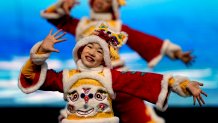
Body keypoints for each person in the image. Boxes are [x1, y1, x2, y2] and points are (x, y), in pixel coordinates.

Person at [40, 0, 194, 122]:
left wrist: (177, 53)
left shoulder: (117, 26)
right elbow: (54, 17)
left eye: (108, 1)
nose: (101, 2)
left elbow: (144, 41)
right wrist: (62, 3)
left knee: (138, 115)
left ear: (113, 6)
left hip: (116, 75)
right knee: (80, 113)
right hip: (87, 78)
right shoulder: (81, 25)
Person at [18, 23, 207, 123]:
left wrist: (182, 84)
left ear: (105, 60)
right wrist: (41, 52)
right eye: (89, 47)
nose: (92, 52)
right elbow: (32, 77)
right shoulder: (66, 77)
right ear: (80, 49)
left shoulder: (111, 77)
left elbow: (144, 80)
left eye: (99, 51)